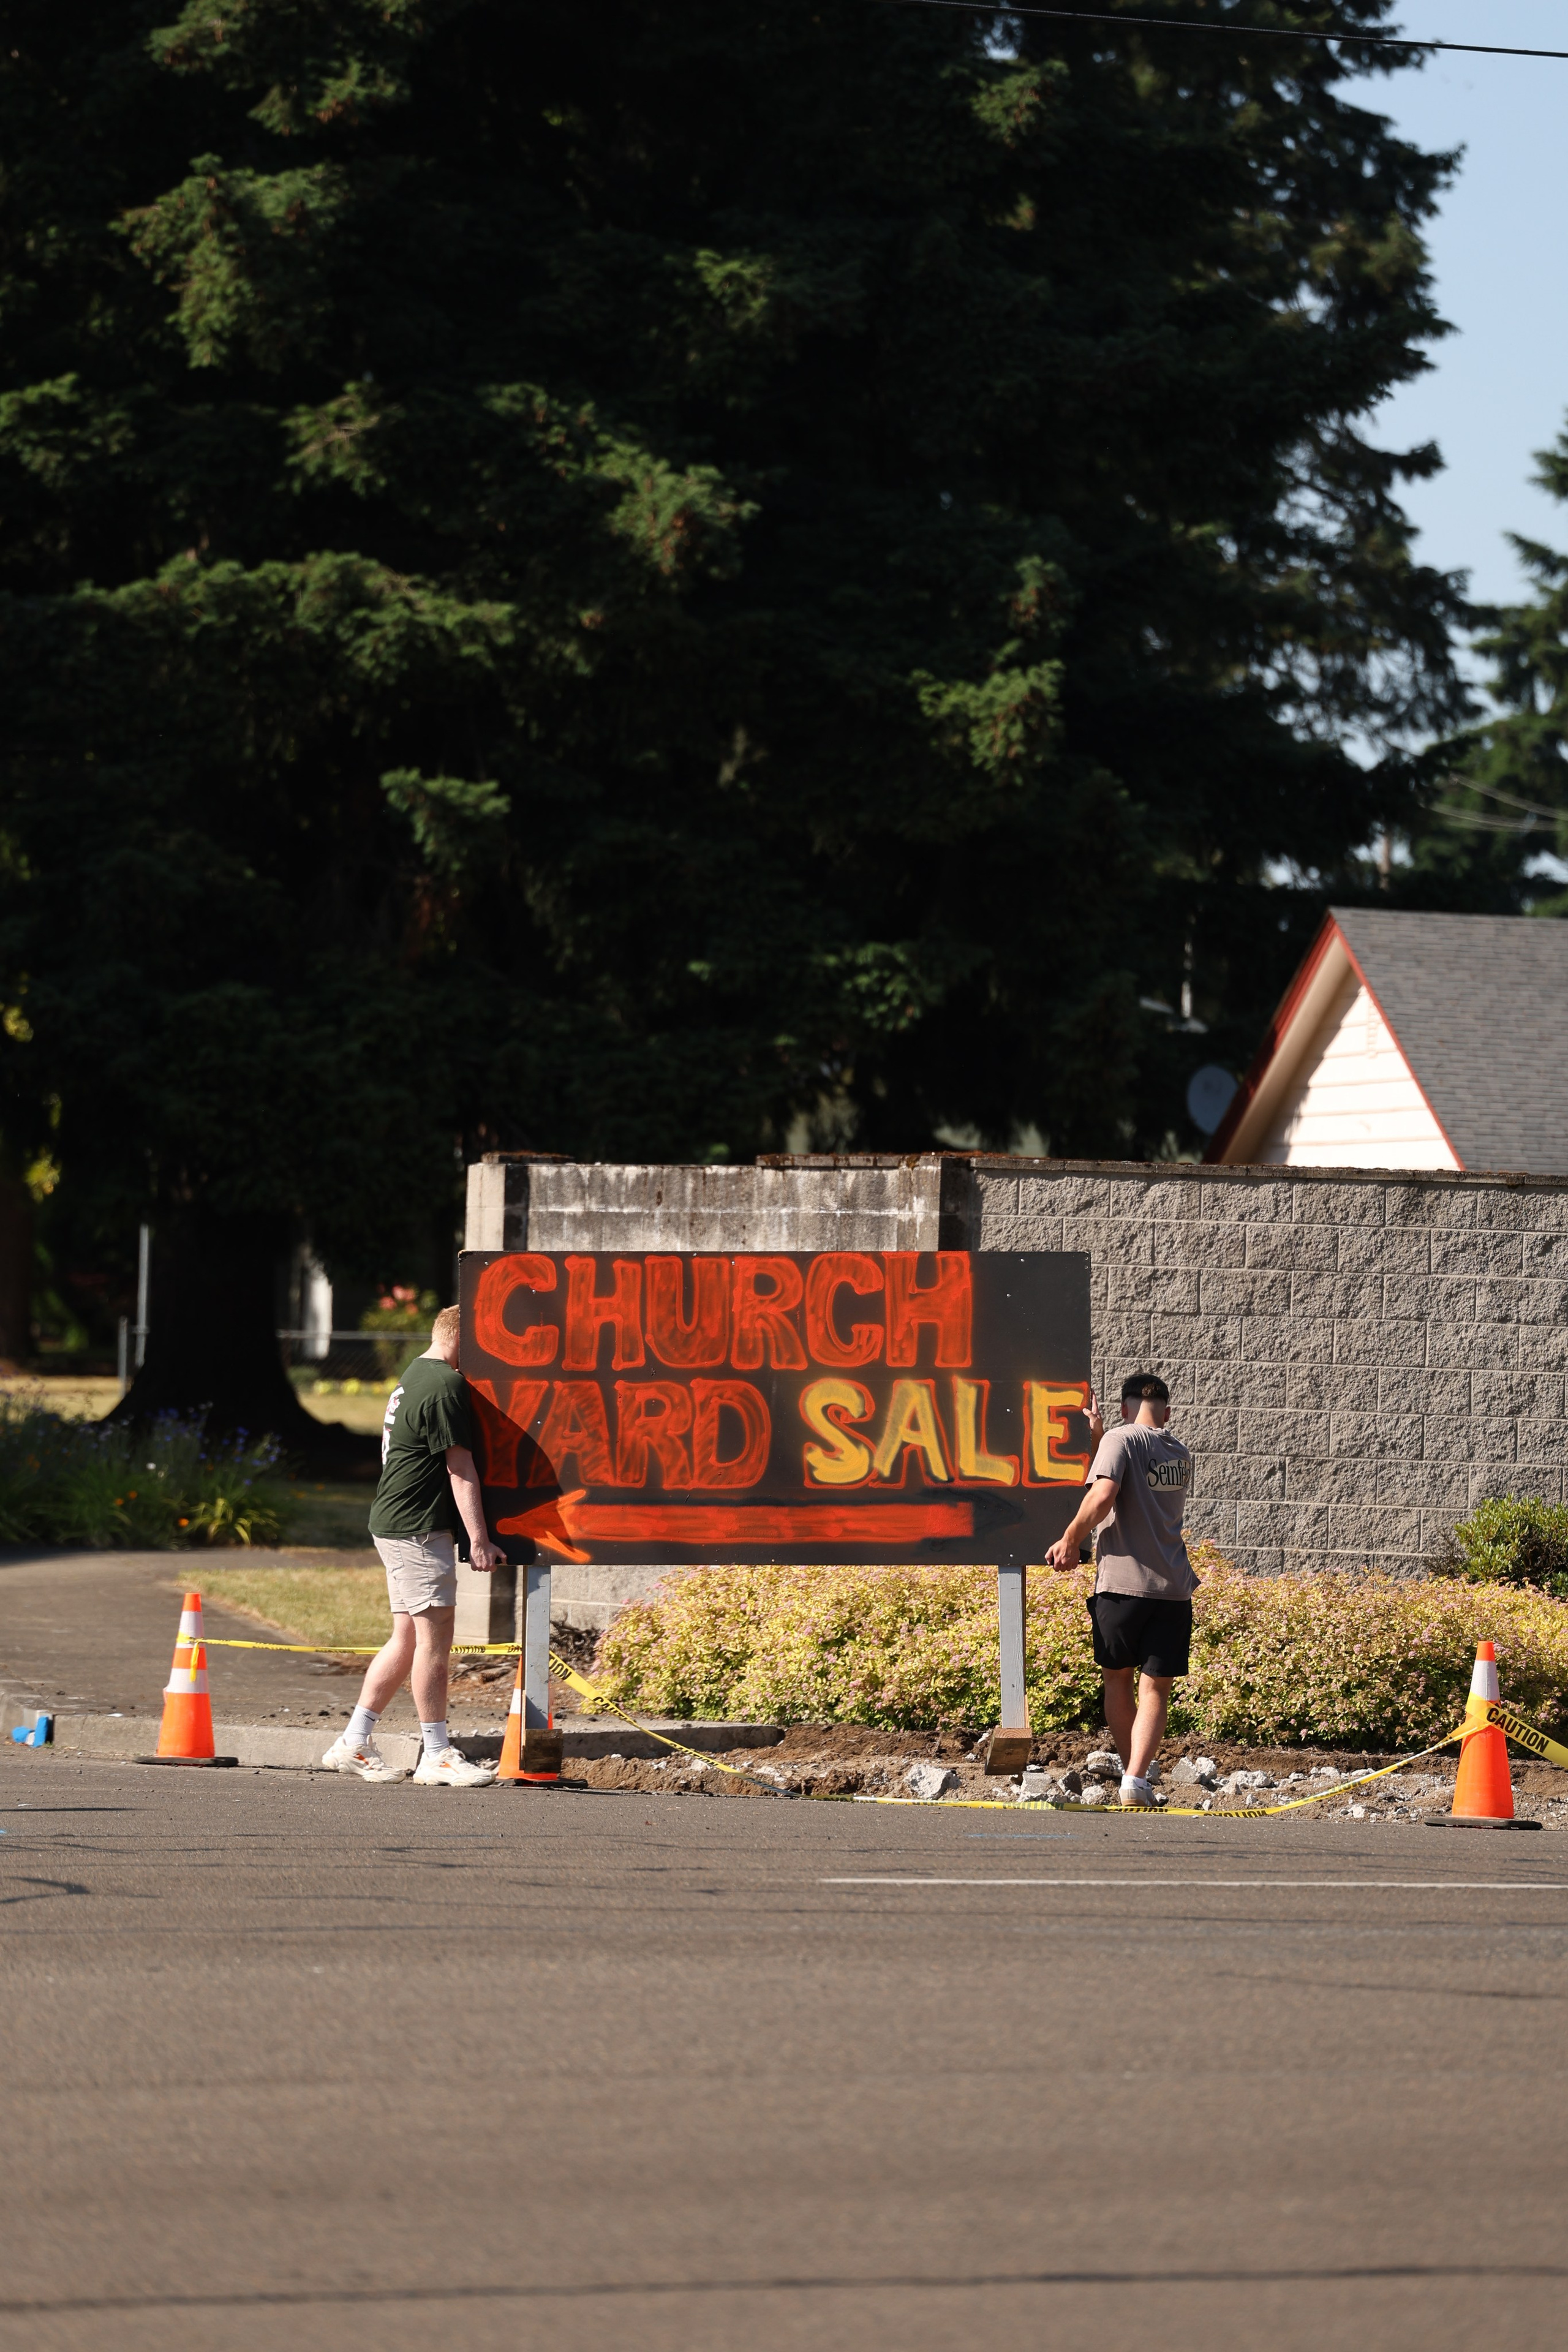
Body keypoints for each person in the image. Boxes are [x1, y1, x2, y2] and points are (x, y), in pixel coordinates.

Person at [322, 1305, 504, 1787]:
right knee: (434, 1641)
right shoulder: (447, 1385)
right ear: (460, 1338)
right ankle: (436, 1754)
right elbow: (459, 1468)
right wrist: (480, 1541)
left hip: (397, 1523)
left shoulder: (416, 1374)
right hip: (418, 1530)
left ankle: (354, 1744)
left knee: (406, 1638)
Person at [1045, 1371, 1194, 1809]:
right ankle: (1136, 1780)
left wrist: (1071, 1537)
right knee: (1155, 1691)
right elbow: (1133, 1485)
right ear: (1167, 1413)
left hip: (1122, 1587)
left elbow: (1106, 1493)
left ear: (1125, 1408)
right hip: (1172, 1590)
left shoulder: (1121, 1438)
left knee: (1117, 1680)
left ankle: (1134, 1773)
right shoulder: (1180, 1453)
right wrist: (1099, 1443)